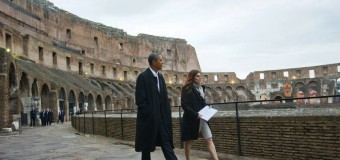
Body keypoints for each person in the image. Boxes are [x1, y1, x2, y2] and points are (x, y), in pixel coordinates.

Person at [135, 52, 178, 160]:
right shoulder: (143, 77)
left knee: (166, 144)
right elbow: (140, 100)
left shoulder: (160, 77)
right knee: (146, 148)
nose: (162, 62)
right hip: (149, 119)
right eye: (160, 60)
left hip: (162, 119)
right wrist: (149, 114)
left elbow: (163, 97)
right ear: (154, 62)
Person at [180, 70, 219, 160]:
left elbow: (202, 103)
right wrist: (195, 114)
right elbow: (184, 104)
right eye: (197, 76)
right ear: (192, 77)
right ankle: (188, 159)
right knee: (189, 141)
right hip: (191, 118)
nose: (200, 77)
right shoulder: (187, 88)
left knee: (209, 139)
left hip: (202, 118)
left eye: (200, 76)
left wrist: (208, 108)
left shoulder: (202, 88)